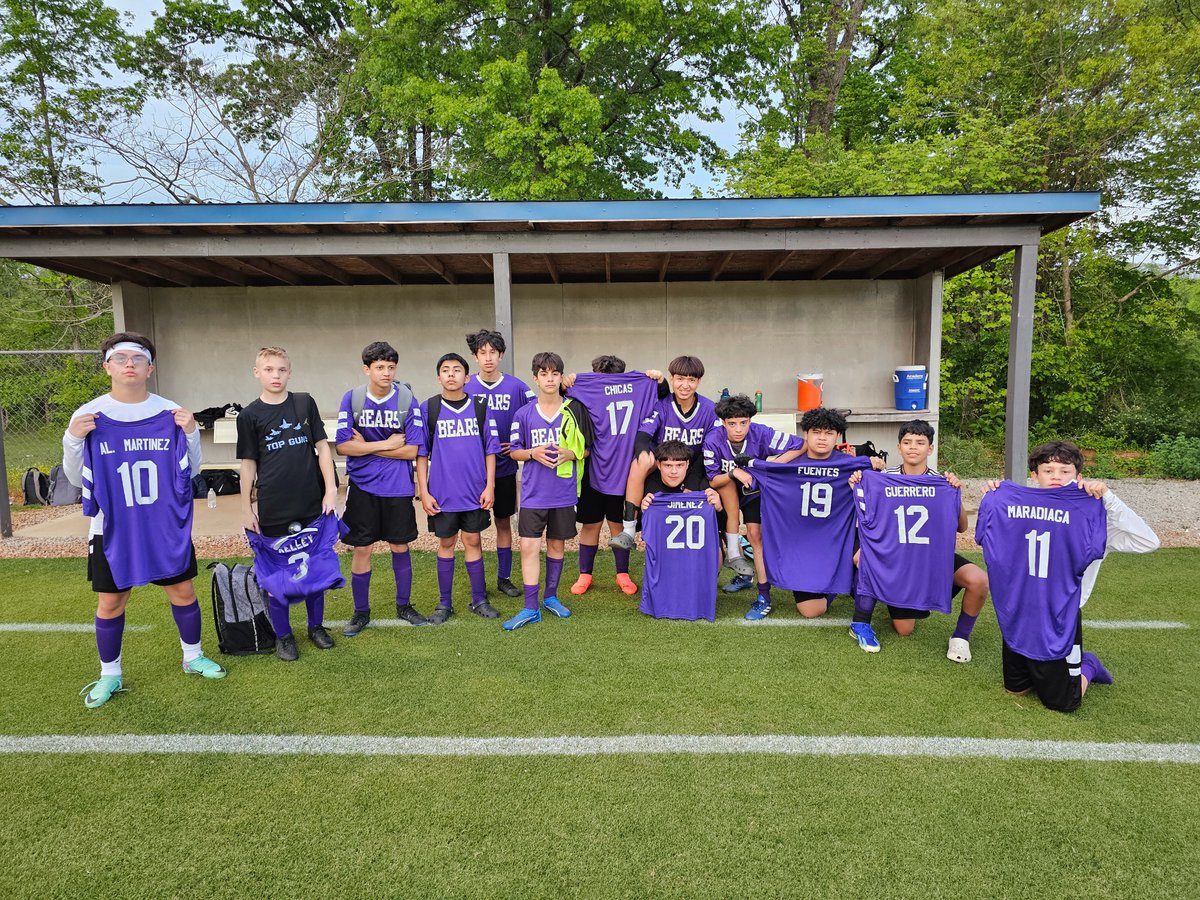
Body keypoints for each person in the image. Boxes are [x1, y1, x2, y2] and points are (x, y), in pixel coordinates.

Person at [64, 331, 226, 708]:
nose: (129, 364)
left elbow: (191, 472)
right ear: (107, 366)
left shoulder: (169, 412)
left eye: (138, 358)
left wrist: (189, 434)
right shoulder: (89, 415)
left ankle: (192, 657)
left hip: (162, 523)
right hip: (113, 525)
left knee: (183, 592)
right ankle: (110, 674)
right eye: (121, 358)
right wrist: (73, 440)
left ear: (150, 367)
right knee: (111, 601)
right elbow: (76, 479)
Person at [977, 441, 1159, 712]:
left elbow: (1148, 542)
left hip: (1061, 614)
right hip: (1019, 608)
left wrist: (1109, 497)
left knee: (1063, 703)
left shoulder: (1092, 514)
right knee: (1016, 689)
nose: (1056, 477)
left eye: (1064, 471)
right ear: (1034, 475)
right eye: (1048, 470)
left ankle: (1089, 664)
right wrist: (994, 497)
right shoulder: (1011, 505)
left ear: (1079, 477)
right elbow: (987, 535)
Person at [847, 419, 990, 660]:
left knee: (979, 580)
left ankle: (960, 638)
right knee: (867, 557)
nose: (913, 447)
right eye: (907, 442)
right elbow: (866, 520)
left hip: (927, 555)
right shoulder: (882, 478)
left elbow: (962, 527)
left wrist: (955, 494)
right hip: (892, 553)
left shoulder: (942, 482)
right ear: (899, 447)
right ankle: (861, 621)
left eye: (920, 442)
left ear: (930, 448)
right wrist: (859, 483)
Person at [237, 346, 339, 661]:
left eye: (281, 369)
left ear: (289, 371)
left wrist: (331, 489)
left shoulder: (304, 403)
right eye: (268, 369)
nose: (276, 375)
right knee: (278, 574)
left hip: (311, 501)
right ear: (257, 372)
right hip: (273, 505)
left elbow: (322, 448)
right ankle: (284, 636)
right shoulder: (249, 415)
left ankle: (316, 626)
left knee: (315, 567)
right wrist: (245, 506)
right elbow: (248, 464)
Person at [747, 406, 879, 620]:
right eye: (816, 432)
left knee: (866, 559)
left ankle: (853, 584)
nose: (822, 438)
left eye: (829, 433)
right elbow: (759, 475)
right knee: (811, 611)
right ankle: (834, 585)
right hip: (802, 544)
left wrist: (874, 465)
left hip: (839, 537)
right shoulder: (787, 466)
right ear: (805, 434)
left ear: (837, 436)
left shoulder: (851, 464)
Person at [334, 341, 427, 635]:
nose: (386, 373)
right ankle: (361, 612)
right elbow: (342, 445)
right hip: (363, 488)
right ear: (367, 369)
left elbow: (413, 450)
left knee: (401, 546)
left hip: (398, 487)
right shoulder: (353, 399)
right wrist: (386, 444)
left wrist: (365, 447)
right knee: (362, 548)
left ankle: (404, 605)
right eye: (379, 367)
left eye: (390, 367)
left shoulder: (407, 400)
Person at [503, 351, 594, 630]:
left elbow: (587, 448)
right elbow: (515, 451)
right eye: (544, 374)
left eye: (555, 373)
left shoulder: (574, 409)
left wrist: (571, 454)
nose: (550, 378)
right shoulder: (524, 413)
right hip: (533, 493)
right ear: (536, 378)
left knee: (557, 544)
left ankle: (551, 597)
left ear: (560, 377)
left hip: (564, 492)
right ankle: (530, 607)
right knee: (529, 546)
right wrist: (533, 453)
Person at [415, 352, 501, 624]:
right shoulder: (428, 408)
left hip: (474, 492)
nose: (451, 374)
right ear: (438, 377)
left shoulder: (480, 406)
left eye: (456, 370)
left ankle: (479, 599)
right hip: (442, 494)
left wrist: (490, 486)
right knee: (446, 542)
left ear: (467, 376)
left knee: (473, 540)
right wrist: (424, 492)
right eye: (445, 370)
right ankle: (444, 603)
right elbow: (420, 455)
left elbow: (491, 451)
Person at [702, 394, 806, 618]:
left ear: (750, 420)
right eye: (732, 423)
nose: (738, 428)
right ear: (723, 423)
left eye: (743, 422)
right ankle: (741, 573)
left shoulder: (762, 433)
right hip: (725, 489)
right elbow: (713, 478)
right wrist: (733, 472)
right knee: (716, 533)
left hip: (754, 491)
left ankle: (764, 596)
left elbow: (800, 445)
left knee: (754, 535)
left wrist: (768, 466)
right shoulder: (713, 439)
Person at [563, 355, 658, 596]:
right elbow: (560, 395)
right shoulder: (583, 388)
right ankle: (585, 574)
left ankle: (622, 574)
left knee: (618, 525)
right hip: (594, 467)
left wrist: (658, 379)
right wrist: (567, 383)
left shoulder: (641, 385)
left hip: (625, 470)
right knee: (591, 524)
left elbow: (663, 395)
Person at [464, 329, 535, 599]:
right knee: (473, 528)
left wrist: (520, 446)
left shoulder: (518, 387)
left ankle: (504, 578)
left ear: (501, 354)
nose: (488, 357)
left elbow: (537, 415)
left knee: (503, 522)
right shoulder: (466, 387)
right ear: (475, 356)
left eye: (493, 352)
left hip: (505, 468)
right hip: (473, 471)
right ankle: (478, 581)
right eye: (482, 353)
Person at [639, 442, 723, 622]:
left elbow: (718, 526)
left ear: (687, 466)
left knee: (718, 549)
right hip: (668, 553)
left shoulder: (701, 486)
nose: (673, 471)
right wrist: (644, 508)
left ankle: (704, 586)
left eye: (679, 465)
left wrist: (718, 506)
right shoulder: (651, 487)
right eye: (668, 465)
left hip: (695, 551)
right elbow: (645, 530)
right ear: (659, 465)